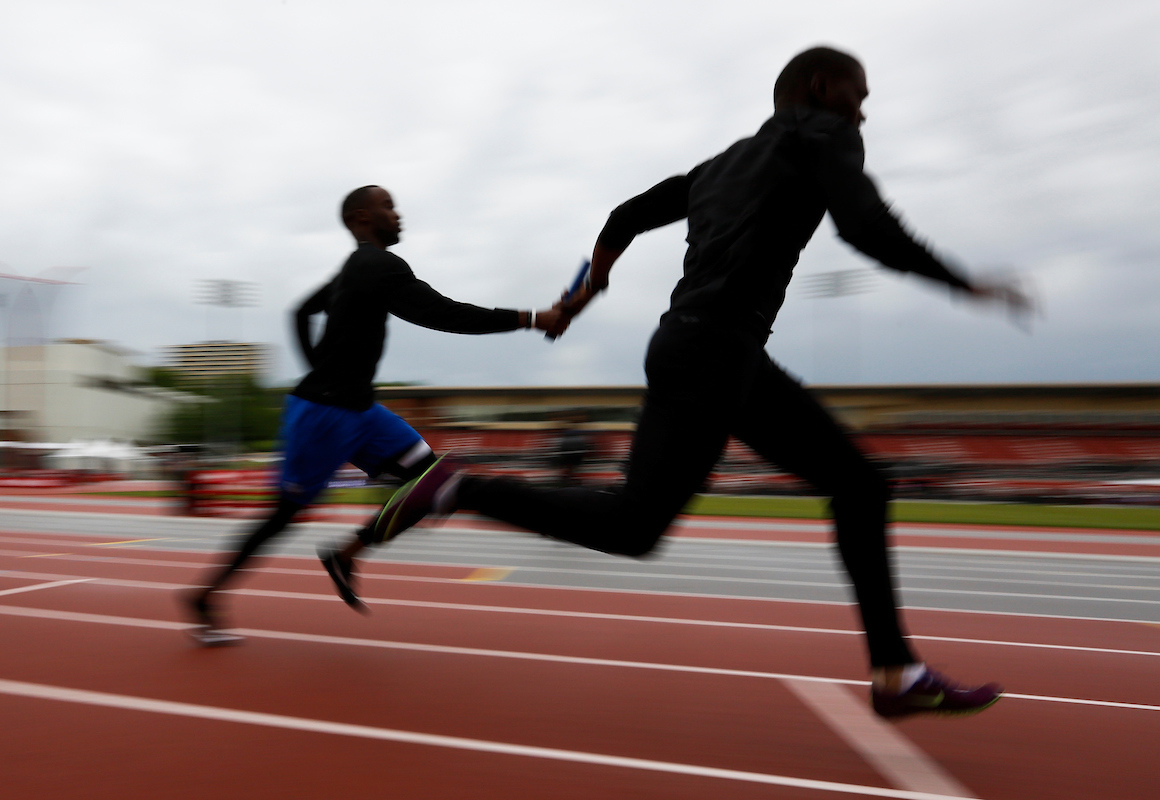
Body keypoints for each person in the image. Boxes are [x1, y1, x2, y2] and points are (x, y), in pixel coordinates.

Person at [376, 47, 1033, 718]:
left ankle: (896, 670)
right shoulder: (826, 131)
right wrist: (963, 282)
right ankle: (456, 485)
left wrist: (585, 295)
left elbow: (623, 218)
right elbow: (865, 227)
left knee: (854, 486)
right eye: (858, 93)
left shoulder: (716, 168)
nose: (864, 108)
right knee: (640, 525)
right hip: (717, 351)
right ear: (819, 87)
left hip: (700, 348)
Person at [184, 185, 560, 645]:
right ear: (361, 218)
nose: (398, 214)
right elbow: (442, 313)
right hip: (323, 414)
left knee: (435, 482)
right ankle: (204, 596)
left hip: (361, 410)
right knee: (284, 515)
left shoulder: (354, 269)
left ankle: (347, 552)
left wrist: (319, 363)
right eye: (388, 206)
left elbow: (302, 311)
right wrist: (531, 318)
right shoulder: (375, 265)